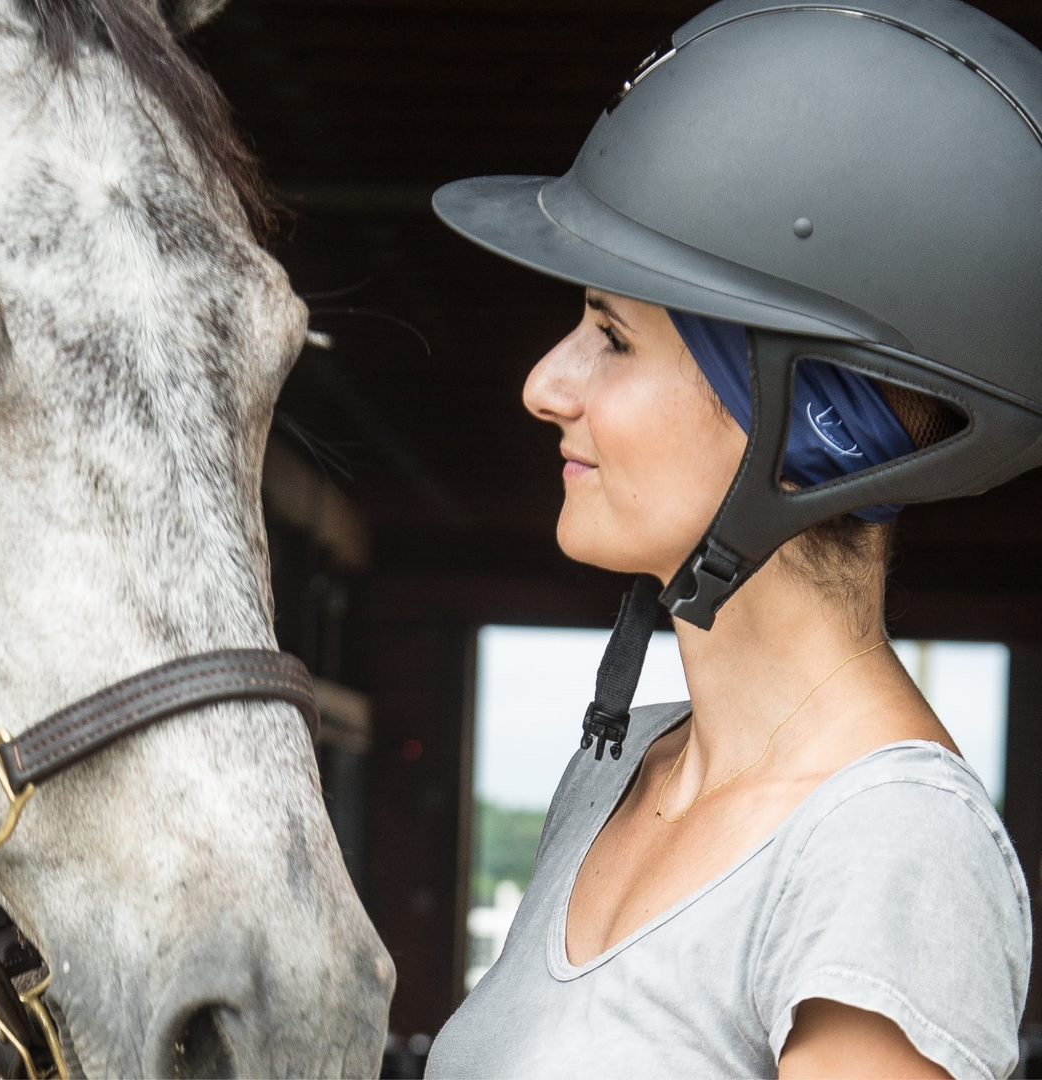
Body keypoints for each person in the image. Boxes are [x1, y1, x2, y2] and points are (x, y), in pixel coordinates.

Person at [425, 0, 1042, 1077]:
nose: (543, 384)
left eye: (611, 337)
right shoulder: (612, 774)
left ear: (806, 423)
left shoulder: (889, 850)